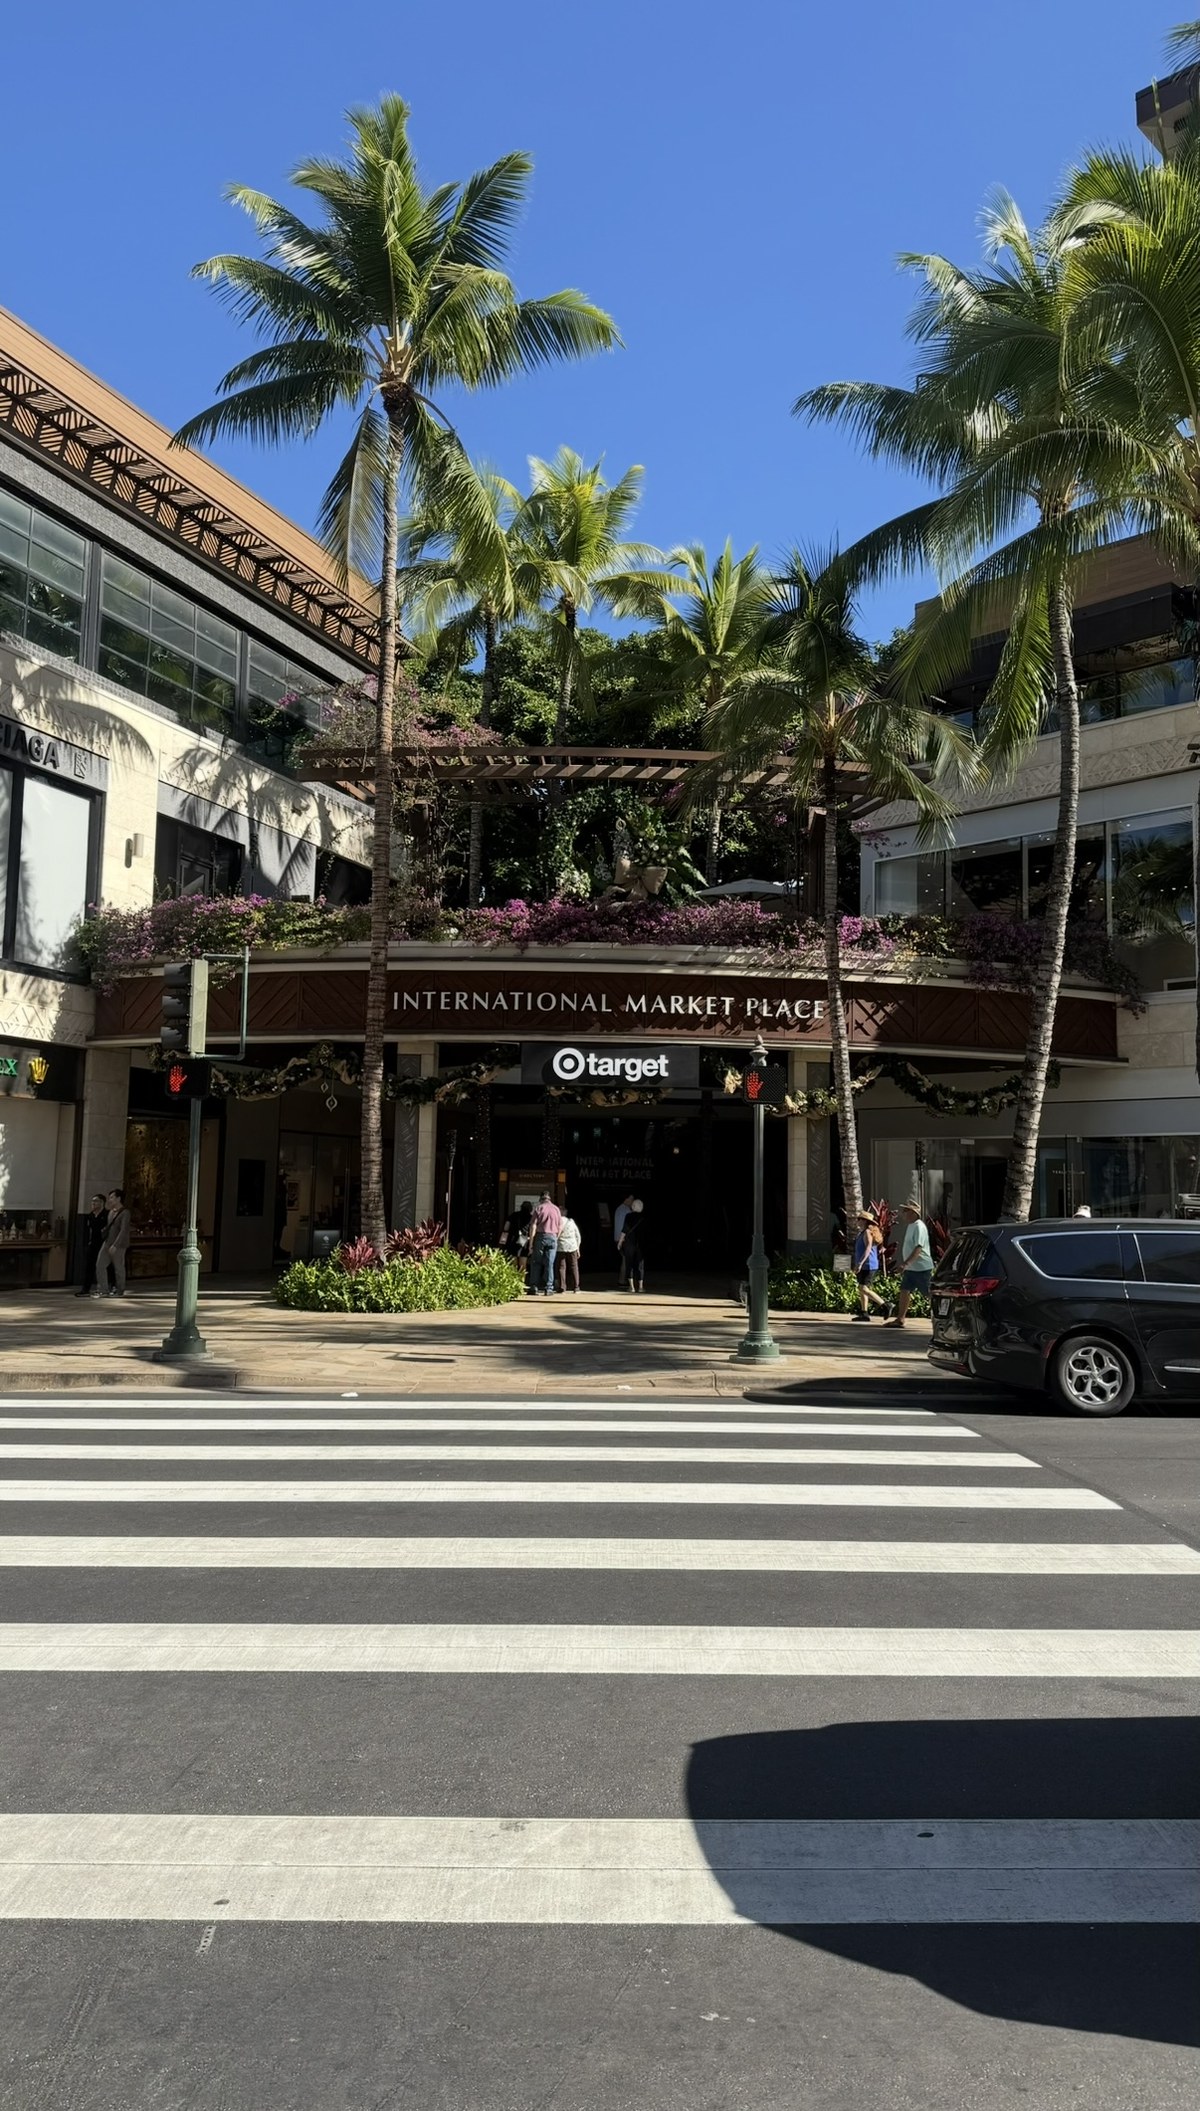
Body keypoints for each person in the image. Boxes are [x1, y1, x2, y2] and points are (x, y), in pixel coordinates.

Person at [884, 1201, 935, 1328]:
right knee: (904, 1291)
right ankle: (900, 1319)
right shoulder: (911, 1226)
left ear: (913, 1213)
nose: (903, 1214)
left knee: (929, 1294)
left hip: (921, 1268)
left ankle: (945, 1317)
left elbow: (918, 1248)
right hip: (912, 1268)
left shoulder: (919, 1226)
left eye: (906, 1211)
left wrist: (905, 1264)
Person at [94, 1187, 131, 1298]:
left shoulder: (125, 1213)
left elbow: (123, 1230)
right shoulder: (110, 1213)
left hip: (119, 1245)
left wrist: (116, 1244)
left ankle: (120, 1290)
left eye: (112, 1197)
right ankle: (103, 1290)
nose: (110, 1200)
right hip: (107, 1243)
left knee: (118, 1267)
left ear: (118, 1198)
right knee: (100, 1265)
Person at [850, 1206, 886, 1321]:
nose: (858, 1221)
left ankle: (885, 1305)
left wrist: (860, 1263)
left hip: (868, 1265)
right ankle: (864, 1313)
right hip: (865, 1264)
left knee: (864, 1288)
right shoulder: (863, 1233)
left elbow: (868, 1248)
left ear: (864, 1221)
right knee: (862, 1288)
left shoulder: (867, 1232)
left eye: (859, 1219)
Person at [529, 1189, 562, 1297]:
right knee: (549, 1264)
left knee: (536, 1262)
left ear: (541, 1198)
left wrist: (531, 1243)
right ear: (549, 1198)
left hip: (540, 1236)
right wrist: (556, 1236)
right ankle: (549, 1288)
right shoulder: (556, 1209)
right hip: (552, 1237)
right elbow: (560, 1226)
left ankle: (534, 1286)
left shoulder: (539, 1208)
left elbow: (533, 1226)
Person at [77, 1193, 110, 1297]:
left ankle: (105, 1287)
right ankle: (85, 1288)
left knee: (103, 1266)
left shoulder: (107, 1215)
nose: (93, 1203)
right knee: (89, 1266)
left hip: (103, 1243)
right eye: (92, 1201)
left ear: (102, 1203)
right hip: (93, 1243)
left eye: (95, 1201)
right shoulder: (91, 1215)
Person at [618, 1198, 646, 1293]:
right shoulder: (644, 1217)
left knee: (629, 1264)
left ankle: (632, 1287)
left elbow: (624, 1230)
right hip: (640, 1245)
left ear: (633, 1207)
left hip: (630, 1244)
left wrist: (620, 1242)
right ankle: (641, 1287)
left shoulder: (628, 1216)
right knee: (640, 1266)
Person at [557, 1206, 583, 1293]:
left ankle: (562, 1287)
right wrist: (578, 1248)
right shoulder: (571, 1222)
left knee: (561, 1267)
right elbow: (578, 1235)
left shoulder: (557, 1221)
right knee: (574, 1266)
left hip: (560, 1246)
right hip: (572, 1246)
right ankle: (576, 1286)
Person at [613, 1193, 636, 1283]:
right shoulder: (627, 1211)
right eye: (631, 1199)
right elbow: (626, 1227)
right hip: (623, 1239)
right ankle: (623, 1280)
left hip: (617, 1238)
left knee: (624, 1259)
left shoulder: (619, 1209)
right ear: (626, 1199)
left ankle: (623, 1280)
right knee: (626, 1260)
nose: (632, 1201)